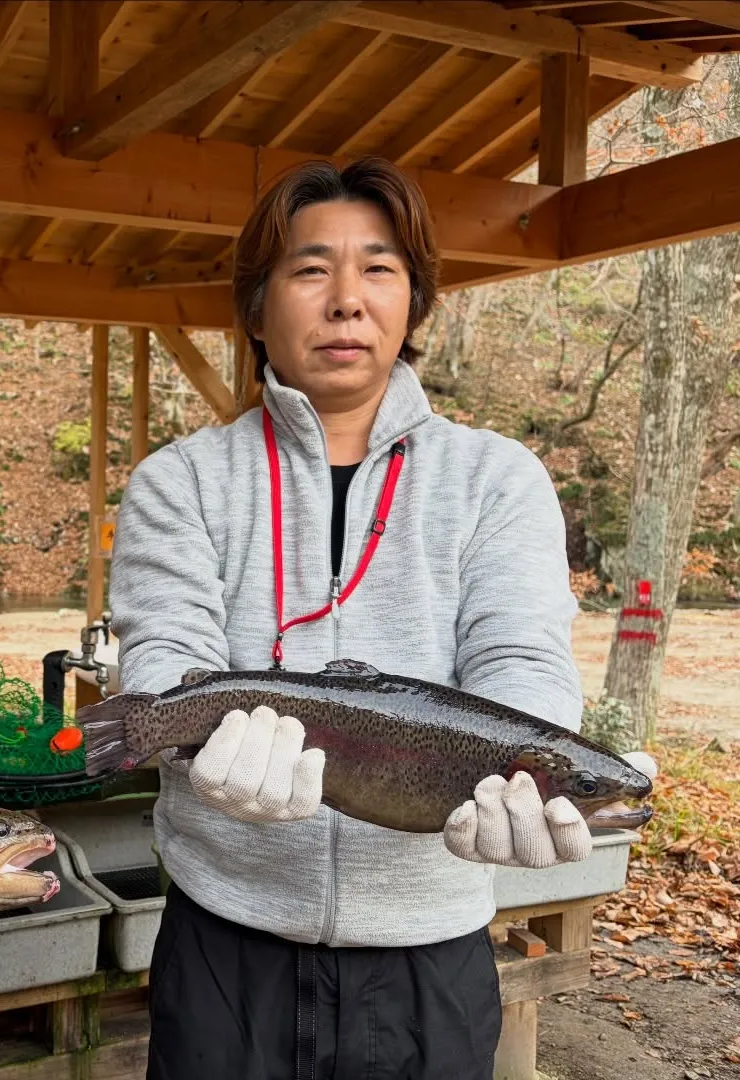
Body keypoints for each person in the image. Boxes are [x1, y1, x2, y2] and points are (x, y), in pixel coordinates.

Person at [107, 156, 657, 1080]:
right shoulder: (183, 479)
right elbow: (166, 651)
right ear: (255, 306)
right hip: (222, 943)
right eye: (310, 269)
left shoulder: (496, 478)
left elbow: (519, 659)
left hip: (431, 954)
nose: (347, 300)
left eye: (380, 268)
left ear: (413, 304)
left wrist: (527, 772)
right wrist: (171, 723)